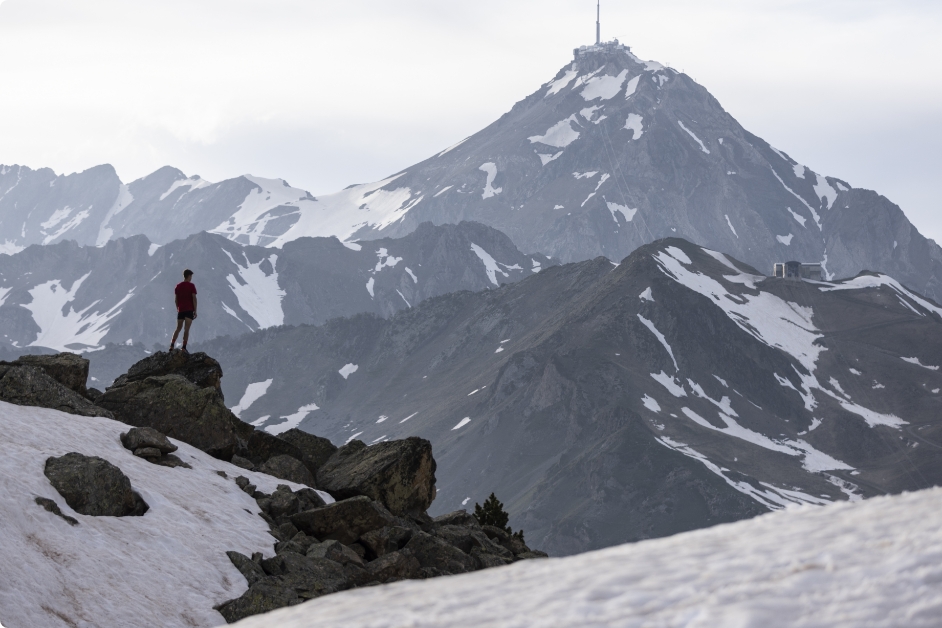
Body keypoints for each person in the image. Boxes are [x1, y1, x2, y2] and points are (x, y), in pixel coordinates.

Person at [170, 269, 197, 353]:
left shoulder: (178, 286)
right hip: (189, 309)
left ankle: (172, 345)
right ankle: (184, 347)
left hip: (181, 310)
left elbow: (176, 299)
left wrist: (178, 308)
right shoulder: (191, 286)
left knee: (178, 328)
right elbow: (194, 298)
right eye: (191, 276)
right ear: (188, 276)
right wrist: (195, 310)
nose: (191, 278)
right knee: (186, 329)